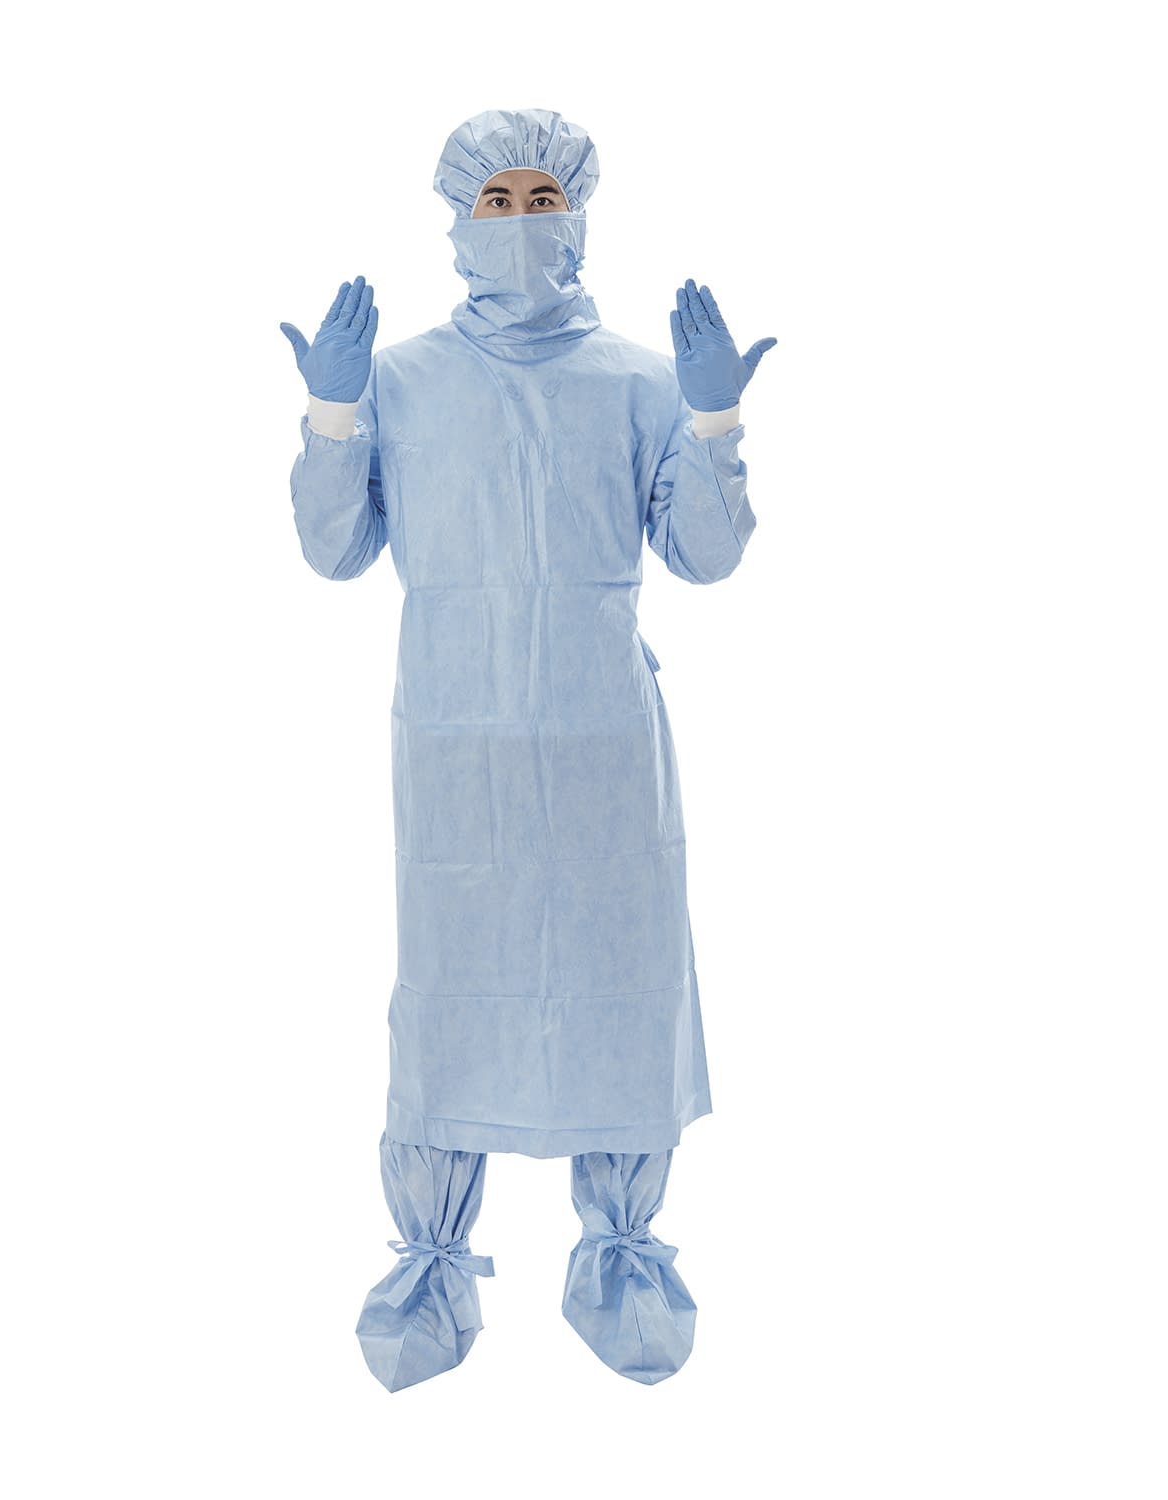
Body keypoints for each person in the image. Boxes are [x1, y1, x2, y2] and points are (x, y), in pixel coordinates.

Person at [282, 107, 774, 1391]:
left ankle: (622, 1258)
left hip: (603, 742)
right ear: (456, 220)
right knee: (455, 1001)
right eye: (492, 201)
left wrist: (714, 427)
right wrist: (333, 413)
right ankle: (432, 1269)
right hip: (459, 747)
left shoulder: (638, 381)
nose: (516, 222)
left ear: (579, 213)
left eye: (537, 197)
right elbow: (335, 550)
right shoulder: (401, 380)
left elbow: (705, 556)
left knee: (620, 993)